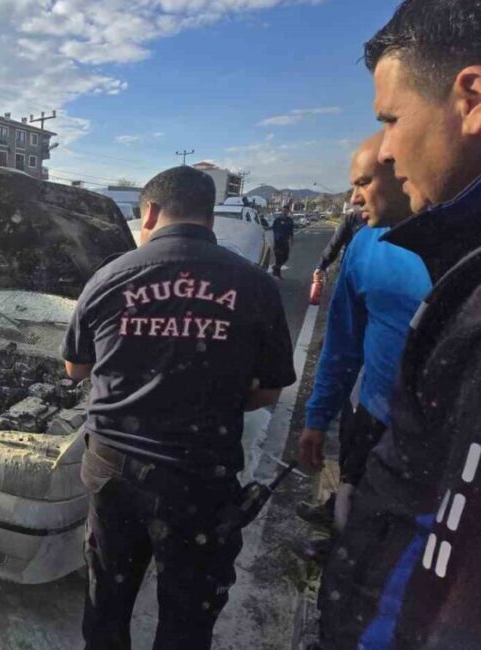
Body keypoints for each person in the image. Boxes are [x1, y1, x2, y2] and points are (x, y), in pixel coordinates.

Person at [63, 166, 295, 650]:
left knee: (107, 599)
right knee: (188, 617)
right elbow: (269, 391)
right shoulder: (255, 286)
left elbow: (75, 370)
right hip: (200, 479)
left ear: (149, 211)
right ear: (208, 214)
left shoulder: (109, 275)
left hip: (113, 474)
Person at [317, 1, 481, 647]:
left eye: (390, 119)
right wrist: (318, 419)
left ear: (470, 97)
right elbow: (341, 342)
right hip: (374, 427)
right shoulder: (432, 251)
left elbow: (445, 577)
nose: (386, 151)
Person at [296, 133, 427, 545]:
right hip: (371, 414)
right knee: (353, 511)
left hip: (438, 437)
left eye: (363, 183)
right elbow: (341, 344)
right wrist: (318, 417)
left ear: (405, 173)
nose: (353, 198)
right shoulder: (365, 245)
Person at [314, 210, 367, 280]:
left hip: (352, 270)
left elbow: (335, 243)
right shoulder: (352, 218)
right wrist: (321, 266)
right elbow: (335, 243)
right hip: (352, 269)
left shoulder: (353, 218)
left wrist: (321, 266)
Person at [270, 206, 295, 278]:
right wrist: (275, 239)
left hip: (285, 242)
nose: (284, 212)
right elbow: (274, 230)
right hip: (278, 243)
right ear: (282, 211)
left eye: (286, 211)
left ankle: (276, 268)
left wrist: (292, 239)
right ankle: (277, 274)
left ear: (288, 212)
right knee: (278, 258)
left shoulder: (289, 220)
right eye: (283, 211)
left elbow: (291, 231)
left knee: (286, 257)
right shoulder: (277, 220)